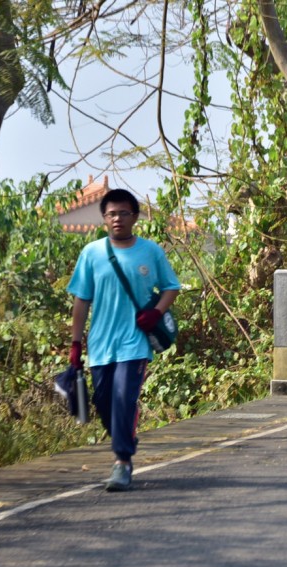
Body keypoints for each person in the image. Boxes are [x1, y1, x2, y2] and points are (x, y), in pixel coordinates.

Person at [67, 189, 181, 492]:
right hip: (101, 345)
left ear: (135, 216)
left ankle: (122, 462)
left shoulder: (150, 251)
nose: (118, 218)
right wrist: (76, 344)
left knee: (122, 399)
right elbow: (81, 300)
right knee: (103, 401)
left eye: (124, 213)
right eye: (112, 213)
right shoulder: (91, 253)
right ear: (104, 218)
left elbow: (171, 287)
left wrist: (156, 313)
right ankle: (125, 438)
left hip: (135, 344)